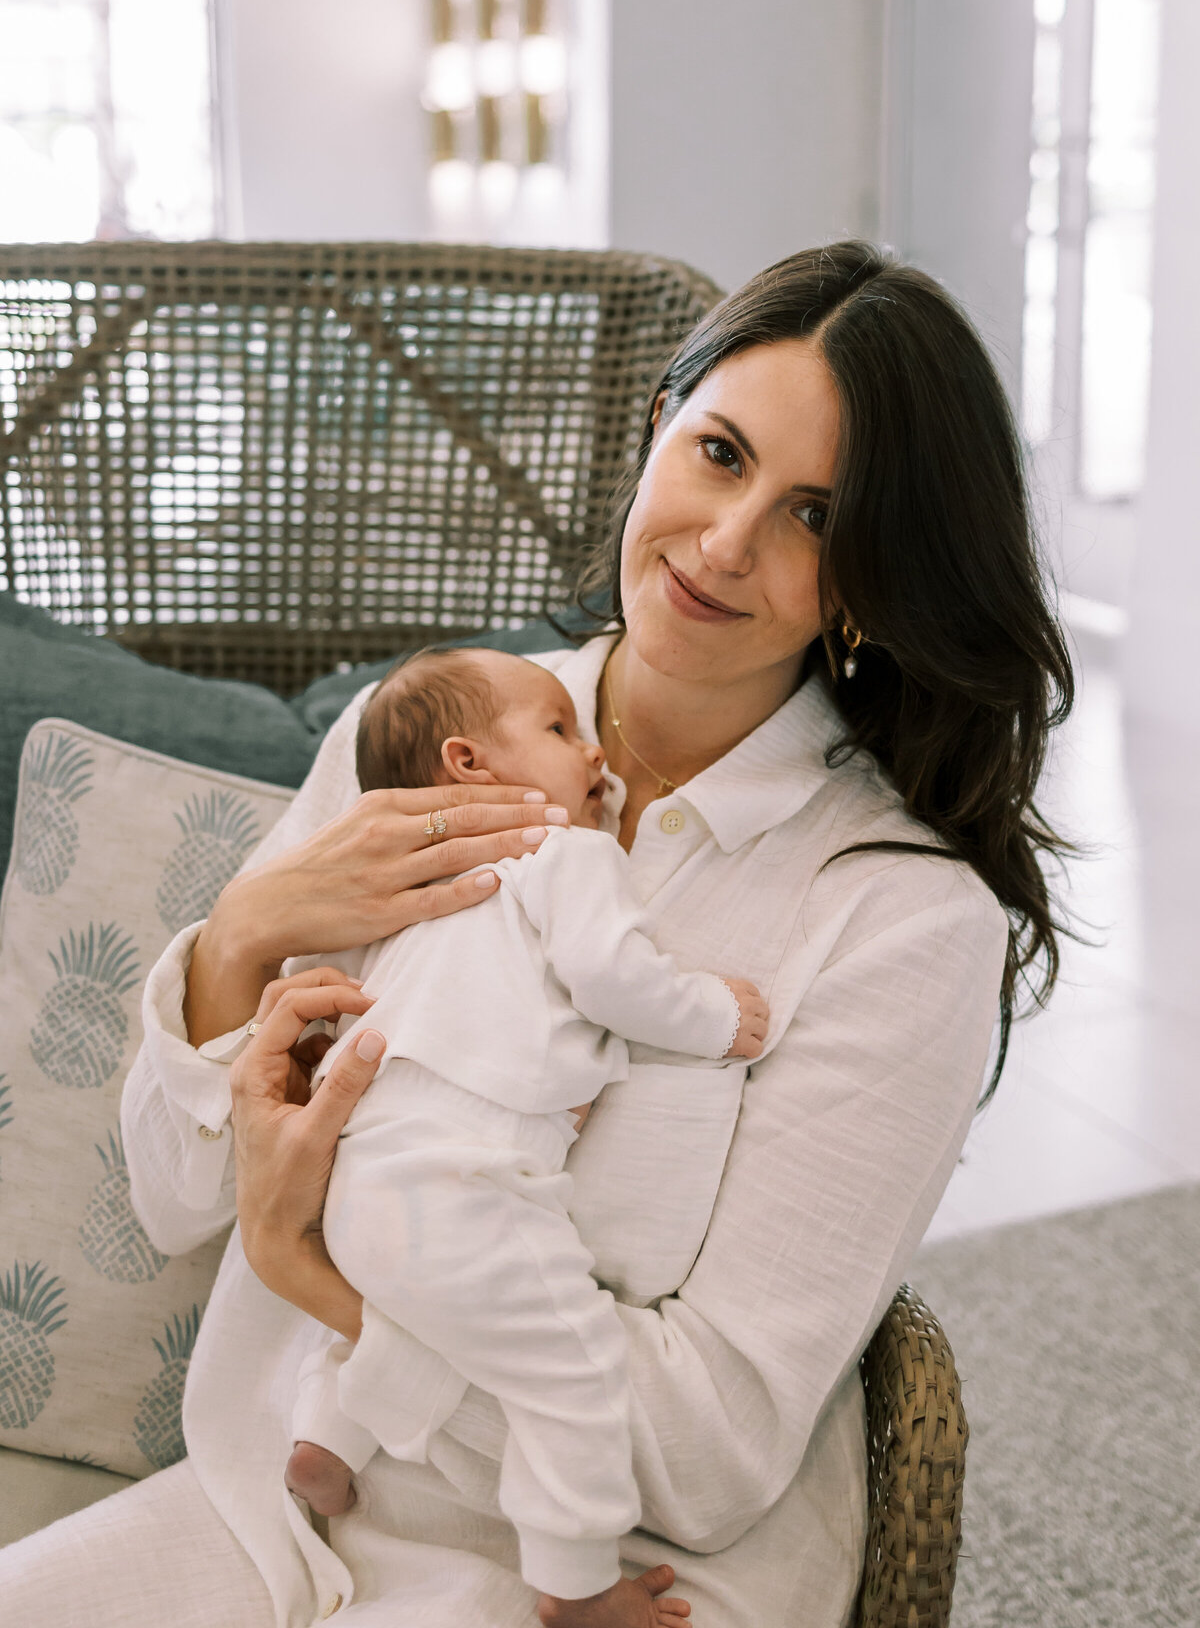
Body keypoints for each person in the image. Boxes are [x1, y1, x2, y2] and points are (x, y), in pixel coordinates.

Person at [1, 242, 1073, 1628]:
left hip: (605, 1571)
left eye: (818, 516)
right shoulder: (433, 740)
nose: (728, 541)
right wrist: (247, 933)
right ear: (656, 435)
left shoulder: (899, 920)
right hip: (268, 1506)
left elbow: (706, 1454)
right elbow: (173, 1196)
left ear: (874, 582)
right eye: (721, 454)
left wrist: (315, 1278)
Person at [285, 646, 767, 1628]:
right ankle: (577, 1582)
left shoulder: (421, 898)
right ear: (468, 765)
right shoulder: (567, 853)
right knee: (575, 1369)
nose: (593, 751)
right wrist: (715, 1015)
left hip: (363, 1177)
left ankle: (329, 1436)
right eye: (558, 730)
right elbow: (610, 972)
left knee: (435, 1319)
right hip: (470, 1174)